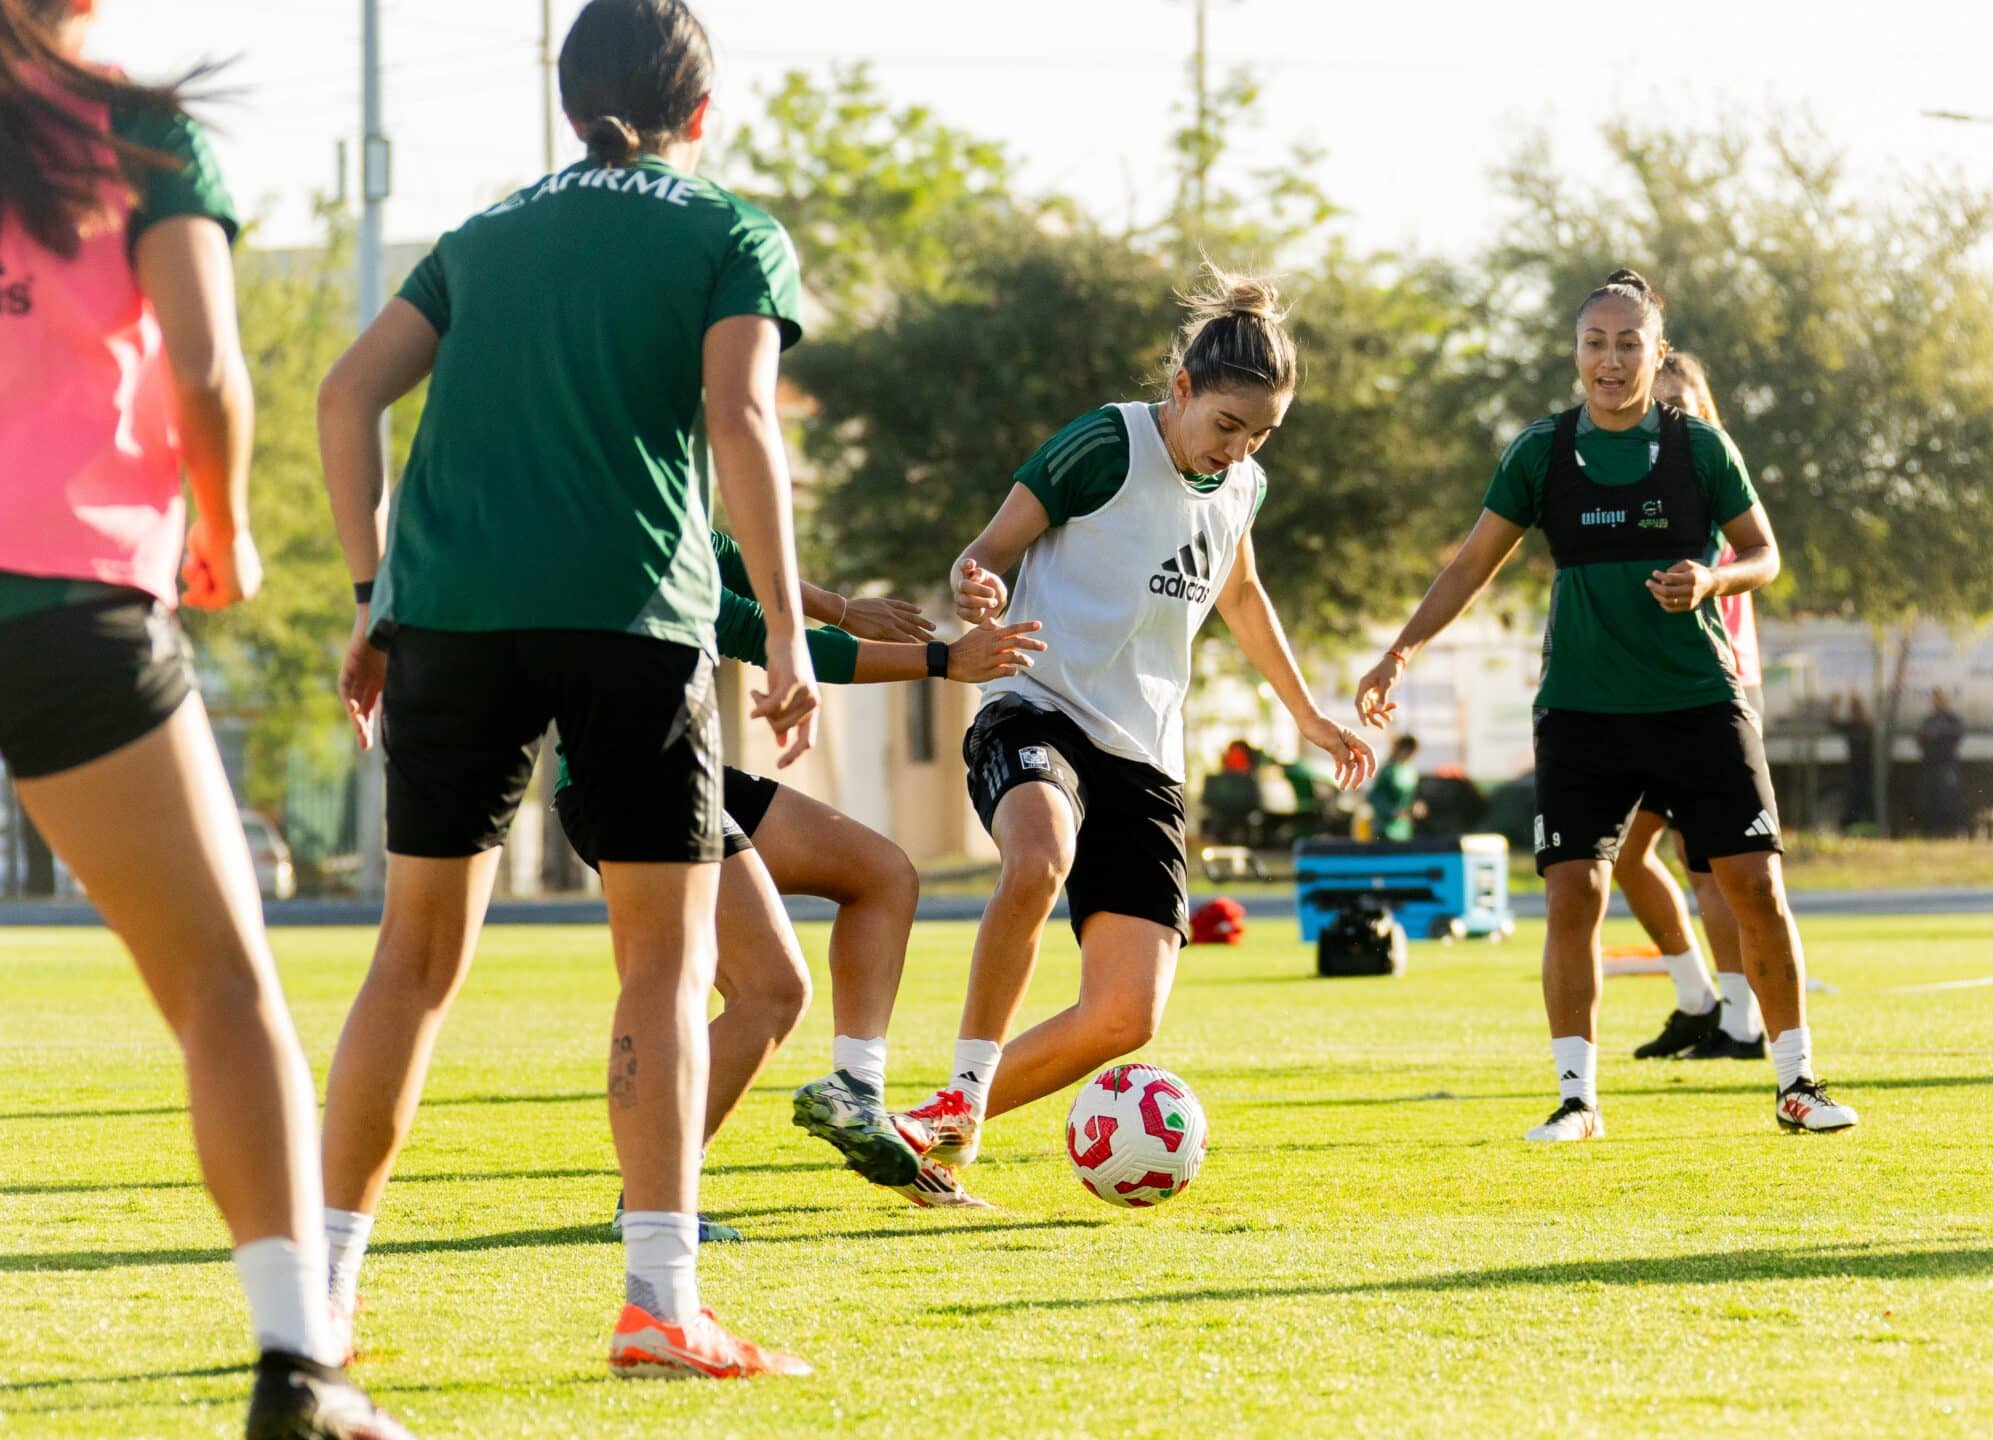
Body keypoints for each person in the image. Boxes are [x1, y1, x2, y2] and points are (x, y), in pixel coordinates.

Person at [0, 1, 409, 1434]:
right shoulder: (135, 126)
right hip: (62, 603)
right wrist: (229, 532)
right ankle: (300, 1371)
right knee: (224, 987)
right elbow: (204, 369)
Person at [313, 0, 815, 1380]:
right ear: (702, 115)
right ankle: (660, 1300)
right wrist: (784, 625)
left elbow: (345, 398)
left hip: (450, 620)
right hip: (630, 620)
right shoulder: (725, 231)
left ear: (568, 96)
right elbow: (741, 419)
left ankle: (319, 1307)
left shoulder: (482, 238)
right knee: (661, 961)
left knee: (411, 963)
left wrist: (374, 596)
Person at [893, 267, 1377, 1206]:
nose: (1237, 452)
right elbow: (987, 550)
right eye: (1226, 426)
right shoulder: (1105, 443)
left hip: (1145, 753)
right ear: (1182, 389)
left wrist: (1307, 714)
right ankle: (961, 1090)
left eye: (1261, 435)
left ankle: (928, 1130)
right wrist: (978, 585)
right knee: (1038, 857)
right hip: (1036, 704)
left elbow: (1239, 593)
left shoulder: (1245, 485)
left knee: (1126, 1015)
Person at [1356, 269, 1857, 1142]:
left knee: (1756, 887)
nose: (1613, 359)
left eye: (1631, 343)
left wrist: (1712, 577)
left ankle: (1797, 1082)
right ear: (1576, 355)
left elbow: (1765, 553)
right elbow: (1471, 566)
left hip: (1699, 702)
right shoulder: (1537, 454)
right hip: (1582, 714)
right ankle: (1577, 1099)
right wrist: (1401, 650)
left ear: (1657, 353)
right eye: (1597, 343)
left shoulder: (1701, 450)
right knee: (1573, 896)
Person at [562, 532, 1045, 1223]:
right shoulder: (632, 527)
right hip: (626, 782)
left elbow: (732, 552)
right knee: (771, 991)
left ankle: (855, 1088)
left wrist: (842, 606)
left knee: (881, 874)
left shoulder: (673, 494)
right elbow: (769, 637)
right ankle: (653, 1196)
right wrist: (941, 660)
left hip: (683, 768)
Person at [1613, 353, 1764, 1062]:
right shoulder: (1636, 475)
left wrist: (1710, 583)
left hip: (1712, 692)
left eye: (1684, 399)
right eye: (1661, 400)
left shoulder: (1713, 477)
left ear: (1707, 408)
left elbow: (1759, 558)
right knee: (1622, 852)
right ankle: (1698, 998)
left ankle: (1741, 1021)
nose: (1671, 411)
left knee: (1711, 867)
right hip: (1643, 699)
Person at [1916, 688, 1967, 837]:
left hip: (1947, 764)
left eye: (1939, 699)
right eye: (1934, 700)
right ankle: (1933, 831)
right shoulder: (1928, 720)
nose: (1936, 703)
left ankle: (1955, 830)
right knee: (1930, 798)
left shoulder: (1953, 719)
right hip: (1931, 764)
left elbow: (1957, 734)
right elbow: (1920, 736)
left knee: (1950, 797)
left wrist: (1936, 735)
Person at [1369, 735, 1424, 841]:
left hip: (1404, 829)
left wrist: (1416, 805)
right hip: (1385, 828)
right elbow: (1373, 797)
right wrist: (1391, 811)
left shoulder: (1411, 770)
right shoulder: (1388, 770)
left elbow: (1412, 795)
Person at [1838, 695, 1877, 831]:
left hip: (1867, 771)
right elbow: (1830, 722)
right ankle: (1849, 827)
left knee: (1866, 800)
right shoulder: (1851, 726)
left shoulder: (1867, 727)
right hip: (1855, 770)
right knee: (1853, 800)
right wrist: (1835, 703)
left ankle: (1870, 827)